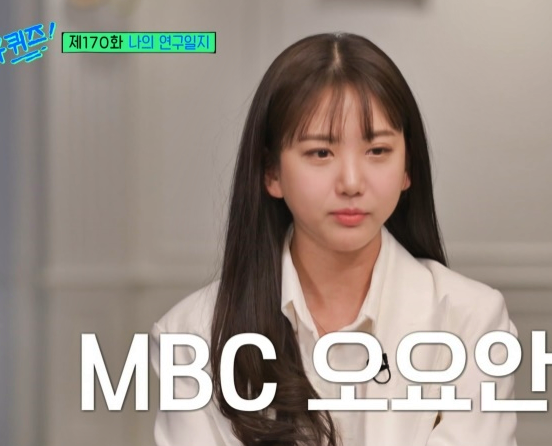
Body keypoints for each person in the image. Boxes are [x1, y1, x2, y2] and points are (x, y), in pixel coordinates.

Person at [149, 32, 518, 446]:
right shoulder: (192, 336)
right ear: (271, 172)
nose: (351, 182)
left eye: (377, 151)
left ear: (407, 169)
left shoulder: (472, 320)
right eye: (320, 153)